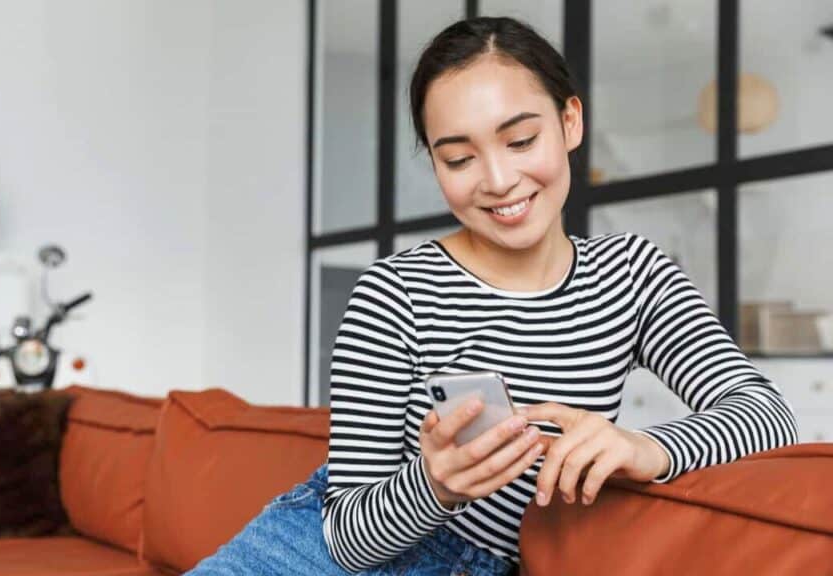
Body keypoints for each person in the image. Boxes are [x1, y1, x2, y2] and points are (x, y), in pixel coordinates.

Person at [186, 16, 798, 576]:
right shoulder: (392, 291)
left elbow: (767, 414)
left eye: (521, 140)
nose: (499, 180)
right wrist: (436, 486)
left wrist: (645, 445)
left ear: (569, 122)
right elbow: (346, 537)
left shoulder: (632, 274)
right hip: (322, 553)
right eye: (459, 157)